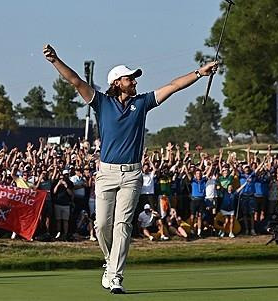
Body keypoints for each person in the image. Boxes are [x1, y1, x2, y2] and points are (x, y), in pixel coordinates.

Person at [43, 43, 217, 294]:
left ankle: (116, 276)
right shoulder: (102, 103)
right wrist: (55, 60)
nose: (134, 81)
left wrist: (200, 72)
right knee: (102, 225)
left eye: (134, 78)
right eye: (129, 78)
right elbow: (75, 81)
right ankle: (110, 263)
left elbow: (174, 85)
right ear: (116, 82)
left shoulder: (143, 102)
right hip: (106, 173)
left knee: (122, 225)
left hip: (132, 174)